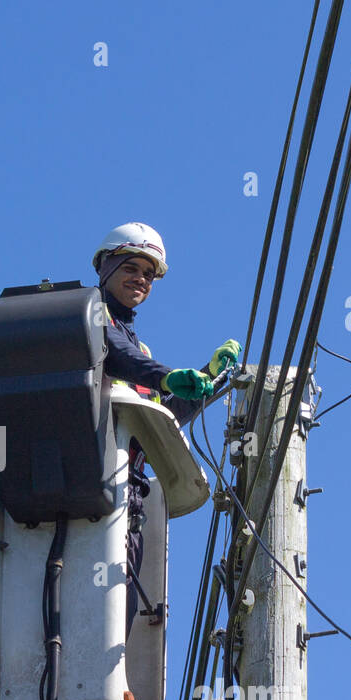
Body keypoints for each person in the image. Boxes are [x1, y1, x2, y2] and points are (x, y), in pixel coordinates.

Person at [91, 222, 239, 636]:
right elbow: (113, 352)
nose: (141, 279)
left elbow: (158, 421)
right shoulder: (85, 313)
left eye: (149, 274)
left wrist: (208, 378)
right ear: (105, 266)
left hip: (127, 497)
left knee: (118, 613)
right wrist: (167, 376)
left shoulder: (140, 351)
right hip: (87, 485)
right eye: (131, 268)